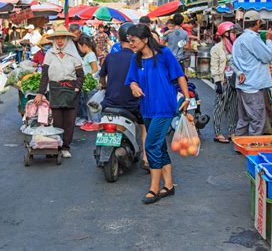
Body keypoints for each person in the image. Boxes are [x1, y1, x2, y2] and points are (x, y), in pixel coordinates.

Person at [125, 24, 190, 205]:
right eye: (129, 40)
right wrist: (134, 86)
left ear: (145, 39)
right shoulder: (135, 59)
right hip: (146, 107)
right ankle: (168, 185)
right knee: (159, 146)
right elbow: (131, 80)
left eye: (134, 40)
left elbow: (179, 75)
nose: (131, 43)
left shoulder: (164, 54)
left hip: (164, 107)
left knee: (151, 145)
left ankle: (154, 188)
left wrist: (187, 97)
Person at [100, 22, 148, 168]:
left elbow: (102, 78)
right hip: (132, 105)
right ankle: (146, 158)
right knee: (145, 126)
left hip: (109, 104)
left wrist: (105, 85)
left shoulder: (110, 57)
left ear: (119, 40)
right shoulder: (139, 59)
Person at [34, 26, 85, 159]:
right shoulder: (50, 55)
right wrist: (40, 92)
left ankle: (65, 147)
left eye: (63, 38)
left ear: (68, 39)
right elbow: (44, 76)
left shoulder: (74, 56)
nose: (60, 41)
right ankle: (55, 146)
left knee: (69, 121)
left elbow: (81, 75)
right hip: (55, 89)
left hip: (71, 90)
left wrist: (76, 88)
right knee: (56, 121)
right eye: (57, 38)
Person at [232, 11, 272, 136]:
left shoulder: (239, 40)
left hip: (244, 85)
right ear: (257, 22)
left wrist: (239, 72)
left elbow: (232, 61)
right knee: (257, 119)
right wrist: (269, 41)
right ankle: (252, 147)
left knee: (244, 118)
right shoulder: (252, 39)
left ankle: (239, 144)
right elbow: (268, 57)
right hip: (253, 85)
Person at [211, 22, 238, 143]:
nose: (233, 35)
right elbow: (214, 67)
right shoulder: (216, 48)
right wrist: (217, 82)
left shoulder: (236, 46)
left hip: (235, 80)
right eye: (231, 33)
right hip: (223, 81)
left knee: (233, 108)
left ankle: (232, 132)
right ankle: (217, 132)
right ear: (225, 34)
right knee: (219, 108)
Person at [76, 35, 100, 132]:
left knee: (92, 104)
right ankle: (91, 121)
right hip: (87, 84)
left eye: (79, 47)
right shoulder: (88, 55)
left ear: (84, 45)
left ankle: (95, 122)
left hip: (91, 84)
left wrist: (87, 77)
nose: (79, 49)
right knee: (88, 103)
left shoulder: (90, 55)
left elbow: (95, 69)